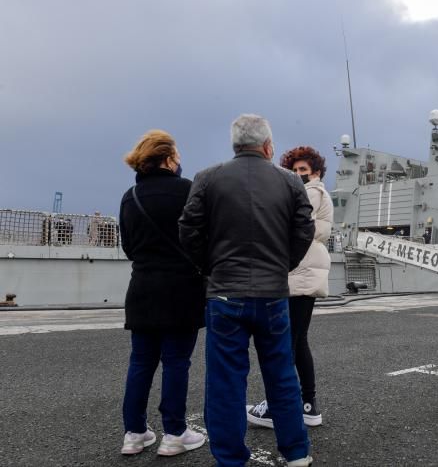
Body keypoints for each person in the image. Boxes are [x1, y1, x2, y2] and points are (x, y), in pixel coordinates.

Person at [179, 114, 315, 467]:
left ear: (235, 145)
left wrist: (211, 268)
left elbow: (188, 230)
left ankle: (230, 459)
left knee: (225, 382)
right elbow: (304, 230)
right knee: (282, 374)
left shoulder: (207, 178)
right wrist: (281, 266)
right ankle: (297, 453)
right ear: (268, 146)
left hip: (224, 293)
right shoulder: (290, 181)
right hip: (273, 294)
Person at [118, 130, 206, 456]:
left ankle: (134, 432)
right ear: (168, 159)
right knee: (176, 363)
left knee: (140, 363)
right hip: (182, 291)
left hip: (141, 290)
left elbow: (129, 246)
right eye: (177, 155)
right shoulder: (188, 190)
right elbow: (202, 239)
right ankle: (174, 433)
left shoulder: (130, 196)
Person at [247, 146, 334, 428]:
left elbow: (286, 220)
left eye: (303, 171)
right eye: (294, 171)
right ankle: (308, 405)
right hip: (306, 272)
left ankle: (279, 406)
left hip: (300, 272)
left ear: (316, 173)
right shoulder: (316, 192)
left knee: (284, 344)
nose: (298, 176)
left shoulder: (311, 191)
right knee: (298, 341)